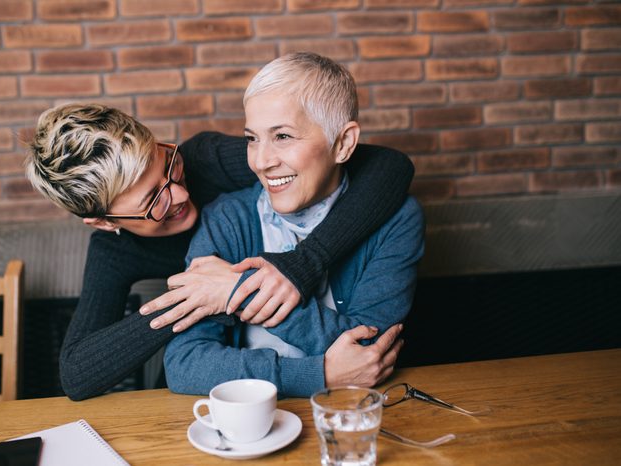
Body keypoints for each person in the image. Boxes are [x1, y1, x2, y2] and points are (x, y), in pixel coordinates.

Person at [26, 99, 414, 401]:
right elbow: (77, 374)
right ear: (105, 222)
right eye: (153, 200)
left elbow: (389, 166)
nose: (179, 194)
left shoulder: (204, 162)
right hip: (220, 382)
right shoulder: (113, 252)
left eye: (167, 166)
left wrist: (301, 264)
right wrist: (194, 297)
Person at [163, 52, 424, 398]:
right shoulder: (227, 217)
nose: (261, 161)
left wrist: (237, 291)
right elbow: (184, 363)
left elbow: (370, 350)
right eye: (252, 138)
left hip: (352, 412)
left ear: (343, 143)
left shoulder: (397, 219)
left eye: (283, 136)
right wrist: (317, 374)